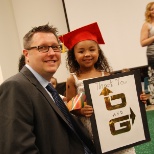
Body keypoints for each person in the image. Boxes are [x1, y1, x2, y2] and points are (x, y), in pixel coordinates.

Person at [0, 24, 96, 154]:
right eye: (43, 48)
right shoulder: (15, 86)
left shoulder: (47, 88)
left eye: (55, 47)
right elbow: (18, 149)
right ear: (26, 54)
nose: (52, 53)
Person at [59, 22, 148, 154]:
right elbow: (70, 107)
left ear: (98, 52)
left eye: (92, 49)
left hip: (113, 126)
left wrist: (138, 99)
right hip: (91, 129)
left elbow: (120, 99)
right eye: (81, 51)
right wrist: (81, 111)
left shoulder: (106, 75)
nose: (87, 54)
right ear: (73, 55)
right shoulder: (73, 79)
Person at [140, 2, 154, 104]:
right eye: (152, 9)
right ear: (148, 12)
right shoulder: (147, 24)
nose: (153, 11)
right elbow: (142, 42)